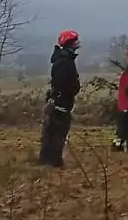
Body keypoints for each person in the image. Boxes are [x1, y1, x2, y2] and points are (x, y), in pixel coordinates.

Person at [37, 30, 81, 167]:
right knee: (57, 132)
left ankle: (48, 160)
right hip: (61, 103)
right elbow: (62, 83)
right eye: (75, 40)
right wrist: (66, 95)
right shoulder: (64, 61)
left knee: (54, 131)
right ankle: (53, 161)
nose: (78, 43)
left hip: (62, 102)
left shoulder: (64, 59)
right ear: (69, 43)